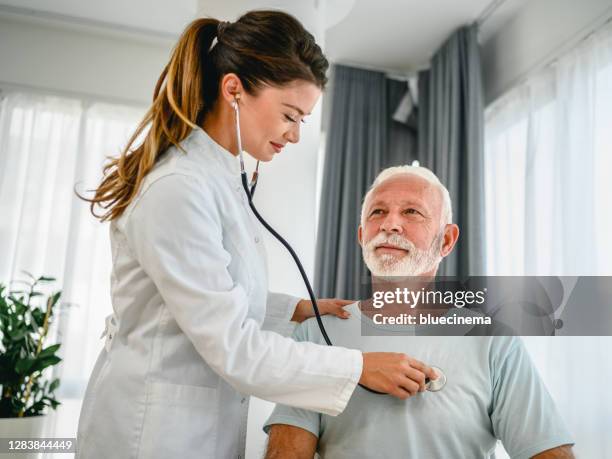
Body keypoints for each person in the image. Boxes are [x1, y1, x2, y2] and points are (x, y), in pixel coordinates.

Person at [75, 11, 437, 459]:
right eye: (290, 115)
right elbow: (233, 347)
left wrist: (296, 310)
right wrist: (359, 366)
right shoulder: (179, 189)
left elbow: (214, 293)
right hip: (150, 434)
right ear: (233, 90)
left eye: (303, 119)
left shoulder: (219, 178)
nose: (296, 134)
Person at [264, 165, 575, 458]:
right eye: (378, 212)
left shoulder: (492, 340)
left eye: (411, 212)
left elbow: (545, 450)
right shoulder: (317, 333)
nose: (389, 224)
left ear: (447, 240)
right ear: (362, 237)